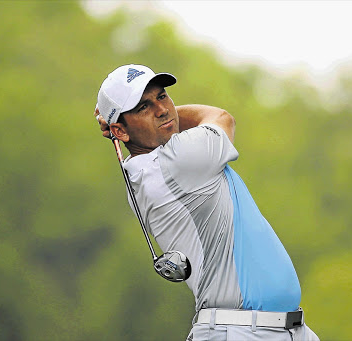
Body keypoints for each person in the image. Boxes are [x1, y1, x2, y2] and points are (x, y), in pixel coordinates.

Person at [94, 64, 319, 341]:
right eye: (143, 107)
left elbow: (170, 121)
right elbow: (219, 117)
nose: (162, 110)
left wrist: (124, 124)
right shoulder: (180, 159)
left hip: (277, 330)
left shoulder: (144, 169)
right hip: (240, 331)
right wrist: (127, 124)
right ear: (121, 131)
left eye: (162, 96)